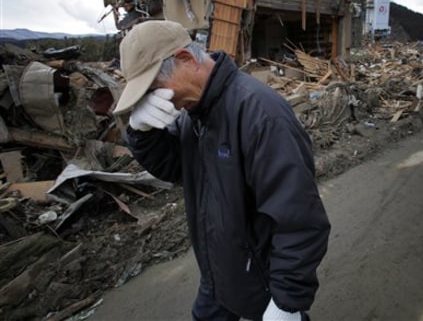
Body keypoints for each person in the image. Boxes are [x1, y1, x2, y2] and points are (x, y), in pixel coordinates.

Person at [112, 20, 330, 321]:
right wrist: (142, 133)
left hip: (261, 279)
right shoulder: (193, 113)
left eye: (154, 90)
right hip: (219, 274)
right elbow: (175, 166)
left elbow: (300, 219)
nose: (154, 101)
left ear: (186, 61)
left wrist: (287, 303)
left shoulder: (260, 115)